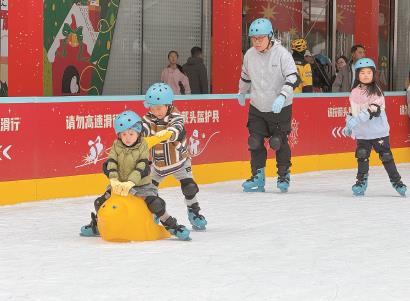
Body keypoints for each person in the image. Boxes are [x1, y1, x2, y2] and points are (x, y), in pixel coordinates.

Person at [80, 110, 191, 240]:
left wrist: (131, 182)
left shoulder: (142, 145)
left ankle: (171, 225)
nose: (127, 137)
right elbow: (111, 162)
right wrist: (114, 179)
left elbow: (142, 166)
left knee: (156, 204)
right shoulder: (117, 145)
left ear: (138, 133)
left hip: (140, 186)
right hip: (119, 185)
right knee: (99, 202)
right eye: (124, 134)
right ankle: (99, 224)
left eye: (131, 134)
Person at [237, 18, 299, 193]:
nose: (256, 42)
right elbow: (245, 76)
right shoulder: (249, 55)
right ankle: (258, 177)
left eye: (260, 38)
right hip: (257, 106)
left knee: (277, 142)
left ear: (270, 36)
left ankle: (283, 174)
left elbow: (293, 77)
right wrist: (242, 91)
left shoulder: (282, 54)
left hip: (280, 106)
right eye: (254, 38)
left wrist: (282, 96)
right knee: (254, 142)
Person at [141, 83, 207, 230]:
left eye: (159, 108)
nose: (156, 111)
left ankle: (194, 212)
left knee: (190, 187)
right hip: (158, 166)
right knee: (149, 193)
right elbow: (142, 129)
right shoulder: (148, 119)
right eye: (152, 108)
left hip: (180, 162)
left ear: (168, 105)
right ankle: (155, 214)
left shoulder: (175, 116)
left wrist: (168, 134)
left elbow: (176, 128)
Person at [342, 58, 407, 196]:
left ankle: (397, 182)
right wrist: (348, 124)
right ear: (357, 74)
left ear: (373, 74)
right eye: (362, 72)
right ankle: (361, 182)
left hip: (379, 133)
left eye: (369, 72)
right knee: (362, 156)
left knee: (386, 157)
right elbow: (353, 111)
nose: (366, 75)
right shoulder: (354, 92)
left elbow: (372, 110)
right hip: (362, 133)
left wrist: (355, 120)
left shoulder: (376, 91)